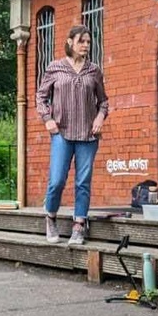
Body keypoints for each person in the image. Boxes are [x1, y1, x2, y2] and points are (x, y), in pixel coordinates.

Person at [35, 25, 108, 245]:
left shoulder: (94, 71)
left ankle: (79, 225)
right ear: (70, 42)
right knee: (57, 180)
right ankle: (51, 217)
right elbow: (41, 97)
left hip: (88, 135)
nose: (86, 45)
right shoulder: (55, 67)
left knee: (83, 182)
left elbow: (103, 101)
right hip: (62, 133)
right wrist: (47, 119)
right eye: (81, 41)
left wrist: (99, 118)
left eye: (88, 42)